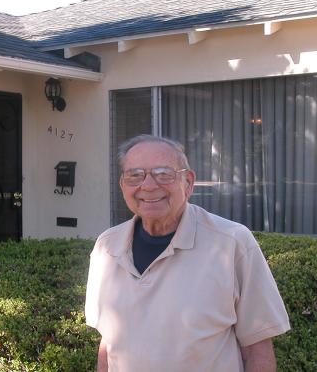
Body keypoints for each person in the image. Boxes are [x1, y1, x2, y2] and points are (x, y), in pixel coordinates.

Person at [85, 134, 290, 372]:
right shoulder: (106, 248)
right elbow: (108, 343)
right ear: (122, 185)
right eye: (135, 175)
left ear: (189, 182)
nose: (149, 186)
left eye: (164, 174)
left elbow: (257, 349)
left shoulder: (231, 243)